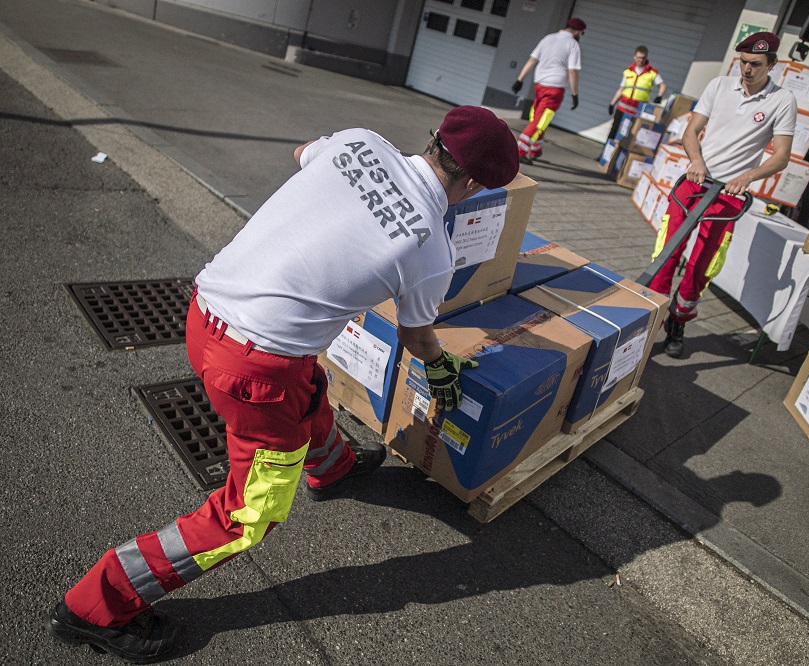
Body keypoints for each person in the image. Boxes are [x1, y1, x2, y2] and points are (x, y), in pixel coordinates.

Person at [45, 106, 519, 663]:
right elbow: (417, 337)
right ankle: (95, 605)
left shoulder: (358, 140)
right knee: (250, 514)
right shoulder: (432, 250)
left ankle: (331, 467)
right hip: (254, 370)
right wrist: (440, 369)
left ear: (435, 138)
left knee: (309, 385)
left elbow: (303, 155)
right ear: (473, 184)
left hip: (204, 313)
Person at [649, 31, 797, 358]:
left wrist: (748, 176)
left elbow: (781, 156)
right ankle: (650, 321)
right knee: (666, 254)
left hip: (728, 193)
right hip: (695, 181)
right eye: (743, 62)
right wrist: (696, 159)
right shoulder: (718, 86)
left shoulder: (782, 101)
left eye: (756, 64)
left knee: (702, 264)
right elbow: (691, 131)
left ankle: (678, 321)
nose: (747, 69)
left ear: (771, 64)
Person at [511, 17, 585, 164]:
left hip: (539, 86)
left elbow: (532, 60)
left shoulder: (548, 38)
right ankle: (519, 151)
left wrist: (520, 80)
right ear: (577, 31)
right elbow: (572, 72)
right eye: (582, 33)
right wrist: (575, 94)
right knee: (539, 121)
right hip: (554, 90)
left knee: (539, 118)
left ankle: (535, 150)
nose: (581, 36)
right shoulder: (573, 45)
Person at [607, 45, 667, 142]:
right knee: (613, 131)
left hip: (637, 110)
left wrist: (659, 96)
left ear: (646, 57)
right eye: (639, 57)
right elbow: (621, 89)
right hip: (622, 107)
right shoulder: (628, 72)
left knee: (629, 136)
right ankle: (604, 155)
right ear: (634, 57)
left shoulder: (652, 72)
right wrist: (612, 104)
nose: (641, 60)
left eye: (643, 58)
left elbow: (663, 86)